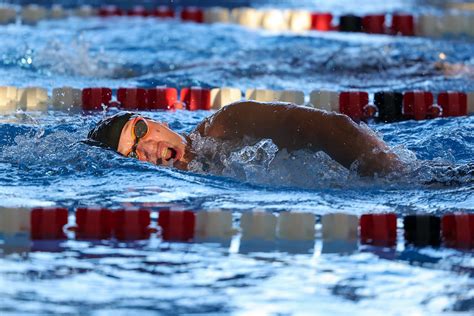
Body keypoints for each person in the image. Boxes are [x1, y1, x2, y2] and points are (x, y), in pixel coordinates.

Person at [87, 101, 403, 177]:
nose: (148, 147)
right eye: (133, 154)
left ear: (158, 121)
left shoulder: (227, 124)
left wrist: (389, 173)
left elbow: (330, 127)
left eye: (140, 131)